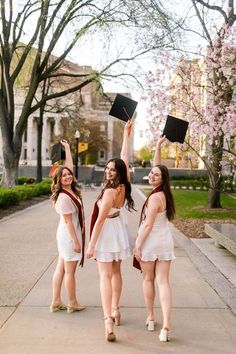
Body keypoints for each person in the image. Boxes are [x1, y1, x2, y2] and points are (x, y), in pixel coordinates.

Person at [86, 120, 135, 342]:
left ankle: (107, 319)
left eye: (111, 170)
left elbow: (99, 221)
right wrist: (126, 134)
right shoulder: (125, 185)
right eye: (107, 168)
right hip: (118, 230)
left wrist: (91, 245)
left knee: (105, 276)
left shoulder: (109, 192)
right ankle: (115, 309)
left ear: (117, 173)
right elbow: (124, 159)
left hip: (107, 232)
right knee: (116, 273)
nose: (107, 172)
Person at [134, 136, 175, 342]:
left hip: (150, 241)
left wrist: (137, 245)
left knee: (148, 279)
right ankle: (166, 325)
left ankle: (151, 317)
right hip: (165, 240)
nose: (151, 175)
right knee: (164, 282)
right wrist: (158, 147)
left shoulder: (154, 199)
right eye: (151, 173)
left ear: (161, 179)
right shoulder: (165, 194)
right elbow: (159, 167)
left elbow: (148, 225)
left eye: (155, 174)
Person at [50, 140, 86, 314]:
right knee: (69, 271)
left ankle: (56, 301)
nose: (68, 177)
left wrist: (67, 149)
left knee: (61, 268)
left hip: (66, 234)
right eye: (63, 176)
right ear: (58, 180)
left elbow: (69, 167)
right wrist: (76, 242)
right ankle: (72, 303)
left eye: (68, 175)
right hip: (68, 236)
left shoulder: (70, 189)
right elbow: (68, 222)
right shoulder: (64, 197)